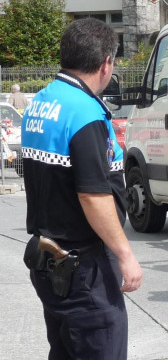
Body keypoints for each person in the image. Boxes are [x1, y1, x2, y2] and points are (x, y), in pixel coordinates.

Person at [22, 18, 142, 359]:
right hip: (83, 268)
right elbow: (93, 194)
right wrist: (125, 254)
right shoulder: (84, 112)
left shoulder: (43, 102)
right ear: (106, 64)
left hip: (51, 261)